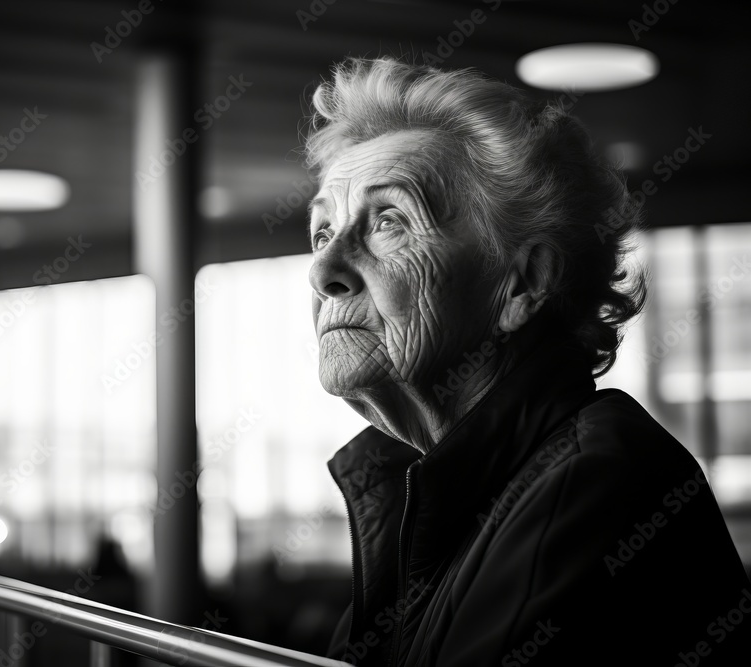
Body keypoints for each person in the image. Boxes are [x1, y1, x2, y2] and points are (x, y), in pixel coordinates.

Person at [304, 56, 751, 666]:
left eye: (390, 221)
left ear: (523, 283)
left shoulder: (591, 480)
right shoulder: (426, 485)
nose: (323, 271)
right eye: (323, 233)